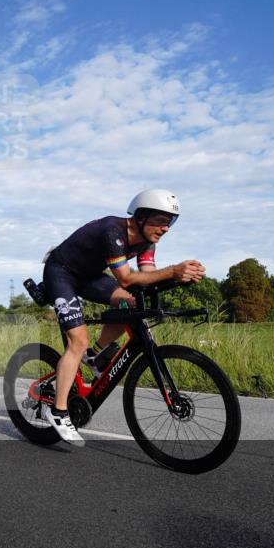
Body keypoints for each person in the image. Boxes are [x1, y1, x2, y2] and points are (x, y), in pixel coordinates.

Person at [40, 189, 205, 447]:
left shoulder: (147, 243)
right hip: (61, 272)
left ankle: (95, 355)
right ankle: (58, 412)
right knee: (77, 341)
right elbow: (127, 278)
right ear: (141, 217)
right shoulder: (112, 230)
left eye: (170, 223)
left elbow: (147, 279)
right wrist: (173, 270)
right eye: (161, 221)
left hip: (89, 276)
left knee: (131, 302)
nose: (166, 229)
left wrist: (178, 278)